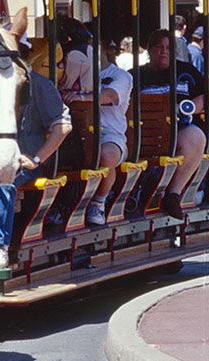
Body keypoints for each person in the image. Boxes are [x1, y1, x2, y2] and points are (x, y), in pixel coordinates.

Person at [0, 38, 72, 267]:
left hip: (23, 161)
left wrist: (36, 158)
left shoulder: (39, 85)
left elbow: (62, 126)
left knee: (3, 180)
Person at [138, 30, 206, 219]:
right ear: (150, 50)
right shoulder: (137, 75)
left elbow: (204, 96)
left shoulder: (186, 71)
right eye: (159, 47)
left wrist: (190, 107)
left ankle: (173, 193)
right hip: (145, 132)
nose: (164, 52)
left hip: (178, 129)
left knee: (196, 137)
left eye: (168, 48)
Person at [69, 35, 132, 226]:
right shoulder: (73, 72)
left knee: (105, 155)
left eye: (92, 46)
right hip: (73, 134)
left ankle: (99, 202)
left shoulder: (121, 75)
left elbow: (111, 95)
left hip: (109, 135)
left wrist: (81, 98)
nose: (87, 51)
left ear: (106, 49)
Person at [57, 16, 94, 102]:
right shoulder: (89, 50)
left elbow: (66, 80)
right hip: (82, 96)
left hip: (73, 98)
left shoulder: (76, 53)